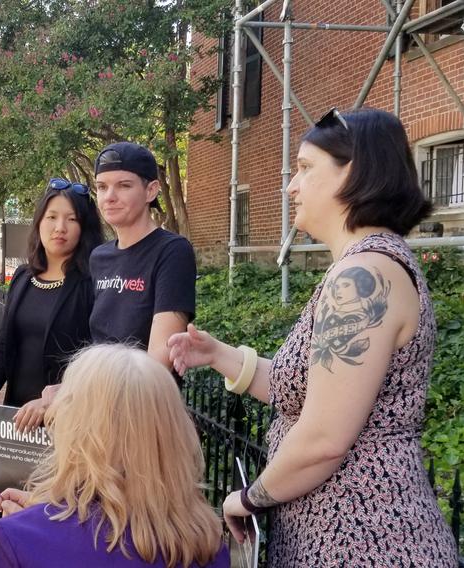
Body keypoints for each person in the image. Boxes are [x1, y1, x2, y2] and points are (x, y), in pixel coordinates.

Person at [168, 108, 458, 565]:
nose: (291, 186)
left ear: (355, 172)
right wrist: (220, 355)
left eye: (305, 168)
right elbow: (311, 390)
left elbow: (325, 437)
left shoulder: (363, 275)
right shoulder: (365, 266)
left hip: (367, 542)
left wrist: (247, 498)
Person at [0, 344, 229, 567]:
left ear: (77, 432)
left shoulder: (4, 547)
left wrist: (31, 528)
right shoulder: (208, 546)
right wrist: (50, 514)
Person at [0, 178, 103, 432]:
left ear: (85, 228)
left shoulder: (93, 283)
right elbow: (4, 345)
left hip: (68, 422)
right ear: (39, 221)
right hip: (19, 421)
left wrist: (53, 401)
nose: (60, 227)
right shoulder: (23, 277)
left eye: (72, 219)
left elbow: (100, 360)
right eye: (52, 217)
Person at [89, 142, 196, 371]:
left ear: (151, 190)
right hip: (96, 398)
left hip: (143, 400)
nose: (109, 197)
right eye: (101, 187)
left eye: (124, 185)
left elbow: (160, 361)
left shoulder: (172, 252)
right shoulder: (99, 257)